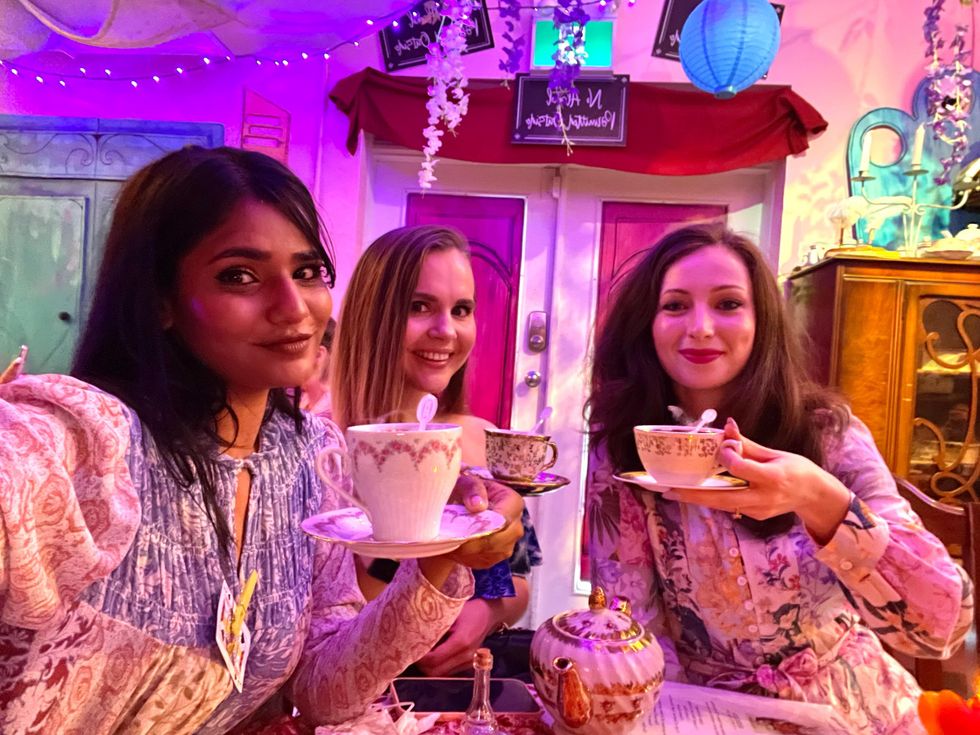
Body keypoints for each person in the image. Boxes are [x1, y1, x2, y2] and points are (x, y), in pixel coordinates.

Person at [0, 147, 524, 734]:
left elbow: (324, 690)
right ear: (160, 300)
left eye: (307, 272)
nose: (295, 306)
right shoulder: (89, 440)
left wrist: (437, 564)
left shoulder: (308, 459)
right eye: (240, 276)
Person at [585, 224, 973, 735]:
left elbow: (942, 626)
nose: (700, 327)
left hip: (854, 711)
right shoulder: (624, 451)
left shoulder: (828, 436)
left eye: (727, 304)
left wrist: (818, 498)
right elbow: (634, 631)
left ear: (761, 321)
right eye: (675, 306)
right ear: (646, 325)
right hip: (710, 716)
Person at [332, 224, 542, 677]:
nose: (446, 330)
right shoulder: (322, 448)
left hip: (470, 691)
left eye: (461, 309)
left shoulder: (484, 440)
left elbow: (518, 582)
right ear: (373, 316)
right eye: (419, 307)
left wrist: (486, 616)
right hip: (359, 688)